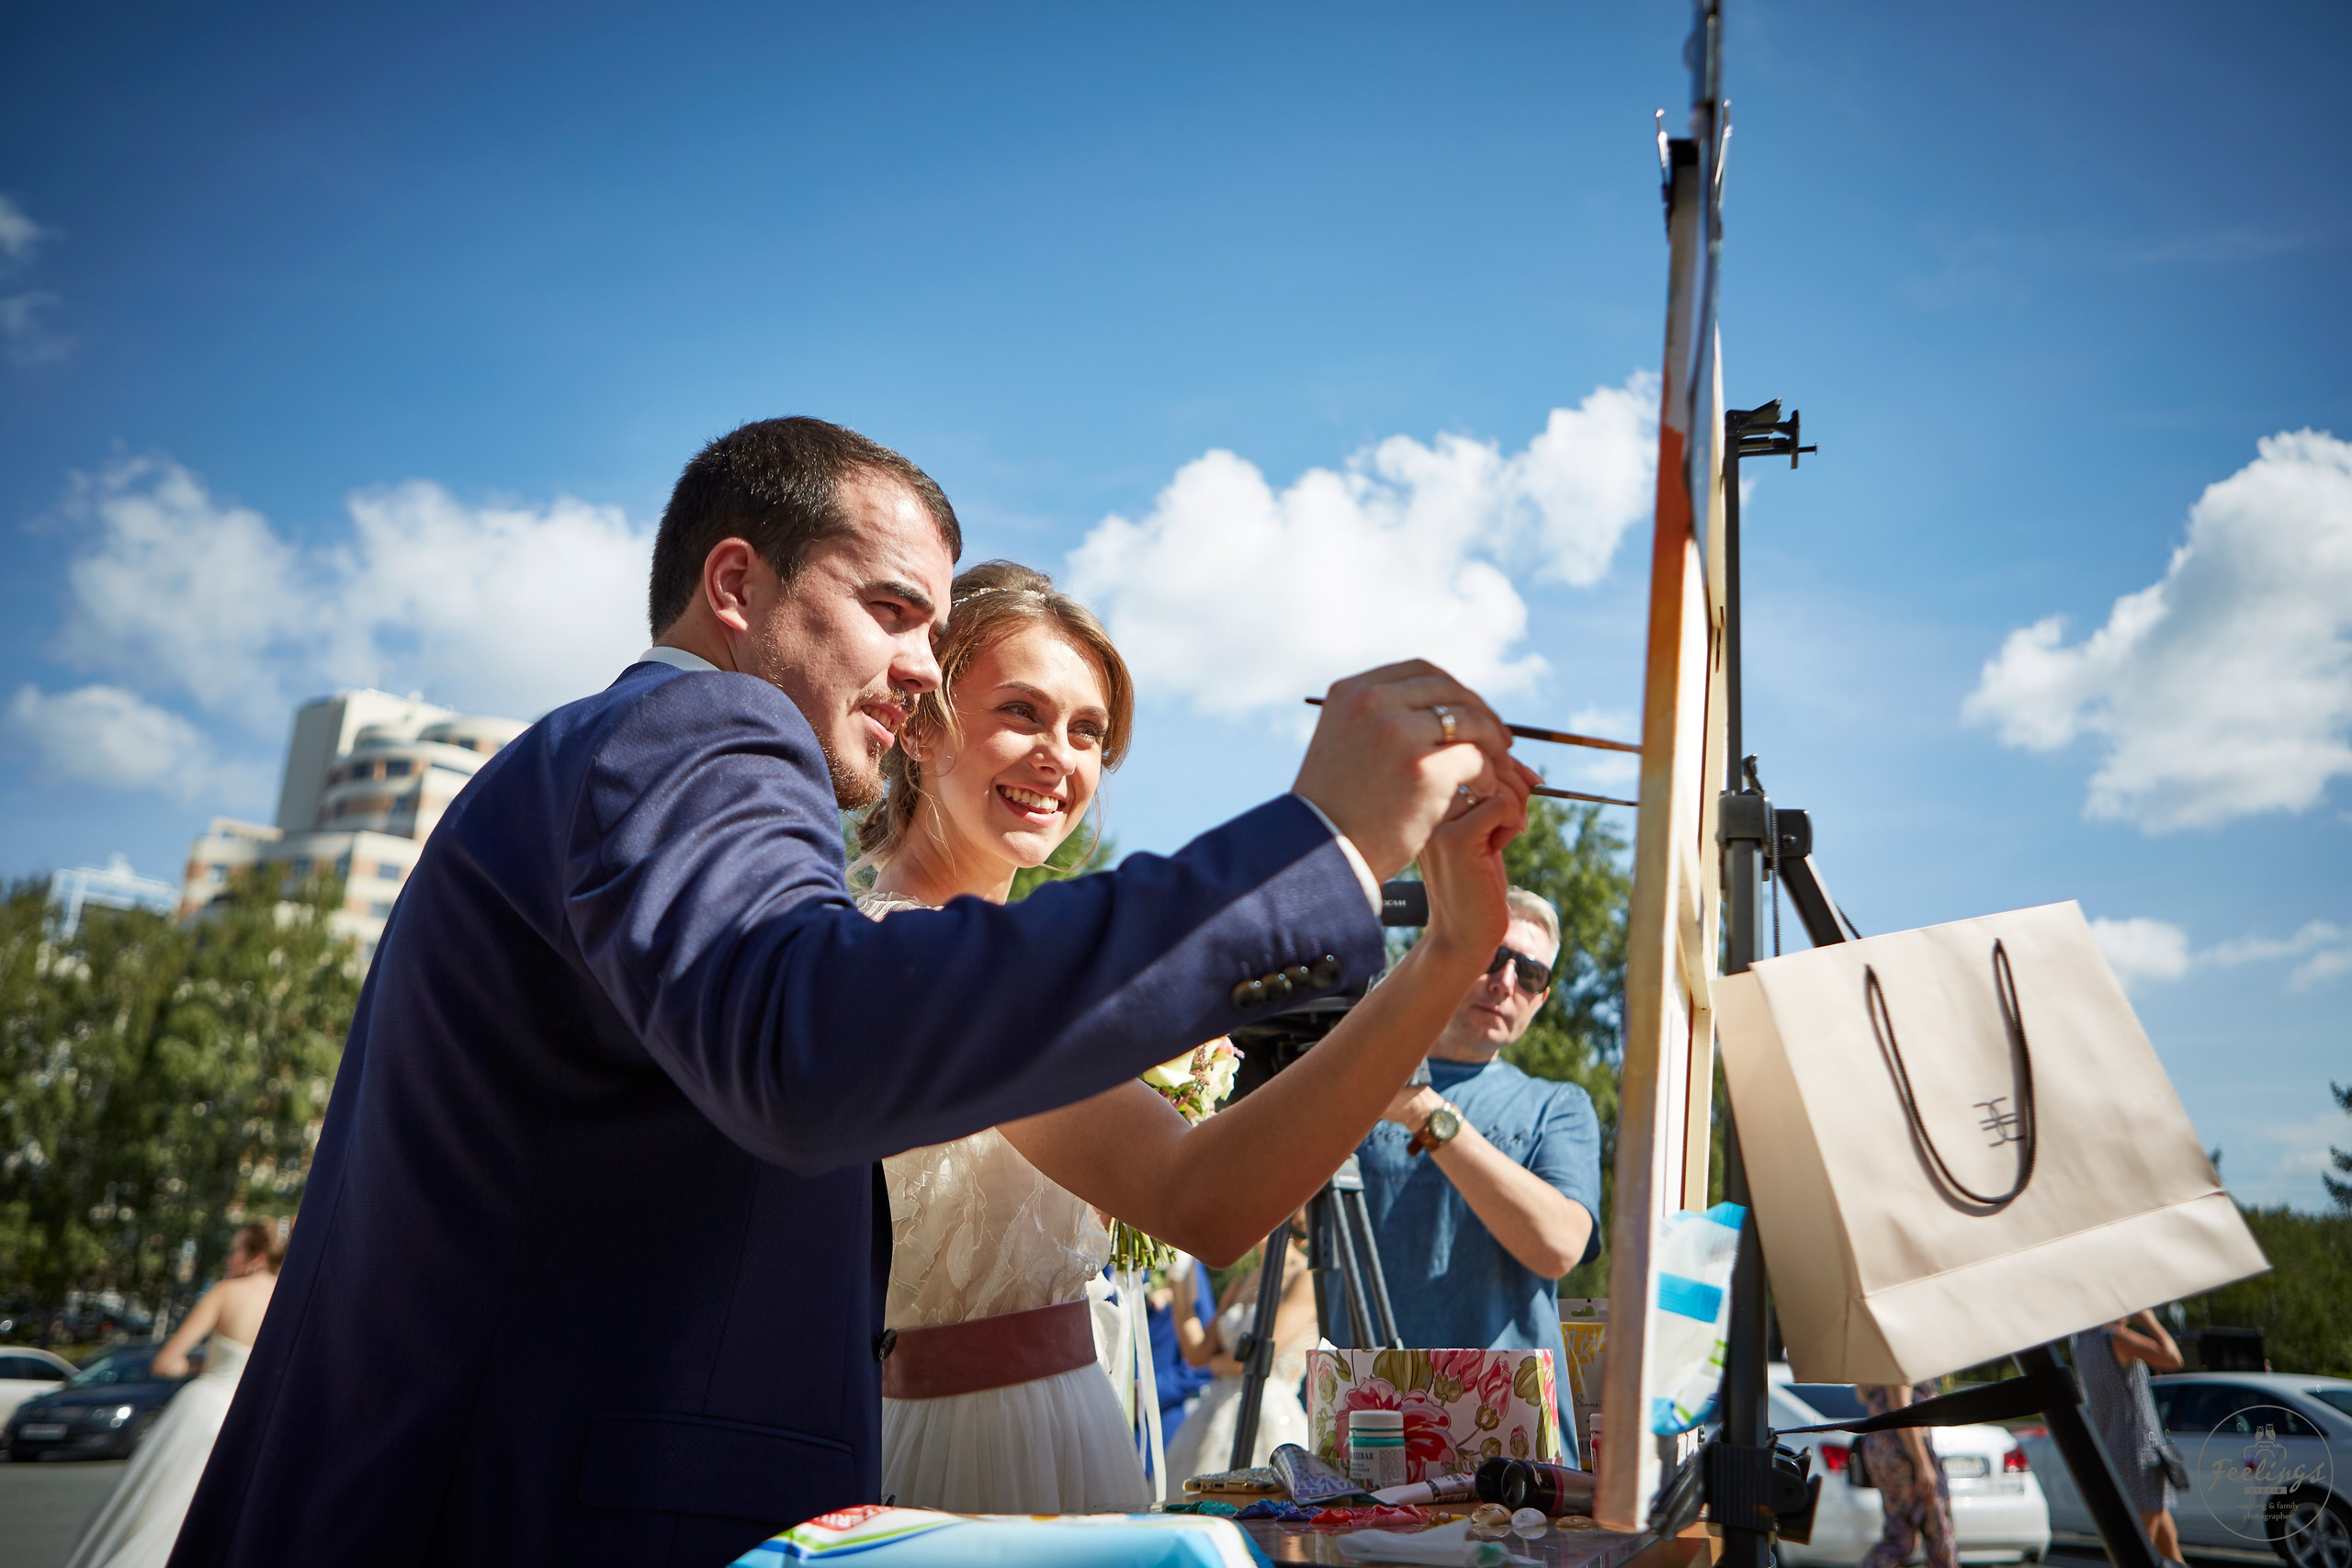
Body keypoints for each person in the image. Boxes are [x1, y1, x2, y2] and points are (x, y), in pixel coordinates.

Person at [172, 417, 1529, 1568]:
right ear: (734, 584)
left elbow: (1198, 1196)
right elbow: (806, 1036)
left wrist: (1443, 955)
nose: (918, 669)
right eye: (890, 611)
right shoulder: (695, 724)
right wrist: (1314, 847)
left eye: (939, 633)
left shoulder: (640, 786)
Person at [861, 560, 1531, 1511]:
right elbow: (1201, 1200)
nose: (1061, 757)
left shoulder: (1003, 955)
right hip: (971, 1455)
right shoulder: (912, 953)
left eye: (1088, 731)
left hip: (1068, 1414)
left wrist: (1456, 947)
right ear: (923, 723)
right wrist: (1445, 954)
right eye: (1022, 712)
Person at [1349, 887, 1601, 1461]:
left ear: (1540, 999)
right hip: (1366, 1419)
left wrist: (1425, 1115)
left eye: (1530, 973)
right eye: (1490, 957)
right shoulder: (1354, 1074)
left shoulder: (1556, 1106)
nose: (1506, 981)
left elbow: (1561, 1245)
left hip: (1507, 1437)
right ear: (1443, 957)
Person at [65, 1224, 283, 1568]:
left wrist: (201, 1364)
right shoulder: (290, 1300)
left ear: (256, 1257)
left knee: (157, 1511)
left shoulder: (225, 1292)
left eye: (235, 1250)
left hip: (203, 1407)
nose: (229, 1258)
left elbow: (166, 1363)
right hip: (250, 1419)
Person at [1164, 1232, 1318, 1482]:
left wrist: (1215, 1366)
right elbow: (1196, 1353)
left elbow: (1259, 1357)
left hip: (1269, 1413)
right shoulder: (1240, 1283)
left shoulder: (1305, 1278)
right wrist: (1179, 1278)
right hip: (1214, 1411)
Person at [2074, 1310, 2187, 1564]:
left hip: (2114, 1448)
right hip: (2140, 1452)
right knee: (2139, 1548)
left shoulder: (2083, 1345)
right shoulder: (2116, 1338)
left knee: (2167, 1544)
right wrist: (2149, 1319)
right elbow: (2173, 1358)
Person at [1855, 1382, 1957, 1568]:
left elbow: (1862, 1394)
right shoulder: (1898, 1354)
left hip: (1880, 1447)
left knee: (1901, 1532)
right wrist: (1922, 1462)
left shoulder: (1870, 1357)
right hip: (1904, 1449)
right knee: (1937, 1533)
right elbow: (1899, 1404)